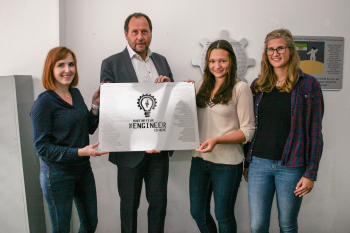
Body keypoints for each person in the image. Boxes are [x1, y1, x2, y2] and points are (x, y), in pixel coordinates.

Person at [244, 29, 324, 233]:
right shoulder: (258, 85)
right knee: (257, 225)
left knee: (287, 225)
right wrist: (246, 163)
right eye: (270, 49)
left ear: (290, 50)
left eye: (280, 48)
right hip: (258, 164)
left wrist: (311, 173)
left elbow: (315, 133)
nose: (275, 53)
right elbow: (249, 127)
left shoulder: (309, 85)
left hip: (292, 166)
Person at [100, 12, 173, 233]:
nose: (140, 36)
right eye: (135, 32)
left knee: (159, 206)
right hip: (128, 154)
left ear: (150, 34)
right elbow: (110, 110)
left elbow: (169, 106)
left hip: (158, 150)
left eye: (144, 31)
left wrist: (170, 86)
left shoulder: (161, 61)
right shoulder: (111, 63)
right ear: (126, 34)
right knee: (129, 207)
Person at [30, 46, 108, 233]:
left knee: (91, 224)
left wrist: (95, 105)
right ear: (51, 69)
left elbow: (88, 127)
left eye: (71, 64)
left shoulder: (75, 93)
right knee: (62, 228)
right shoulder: (43, 102)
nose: (68, 70)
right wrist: (80, 152)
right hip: (57, 175)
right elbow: (42, 148)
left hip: (82, 170)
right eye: (61, 65)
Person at [189, 40, 255, 232]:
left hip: (227, 163)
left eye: (222, 61)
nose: (216, 66)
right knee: (197, 212)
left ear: (231, 62)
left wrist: (217, 140)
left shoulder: (240, 88)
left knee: (223, 216)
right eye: (212, 61)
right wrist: (182, 93)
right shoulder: (202, 85)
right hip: (200, 160)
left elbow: (248, 131)